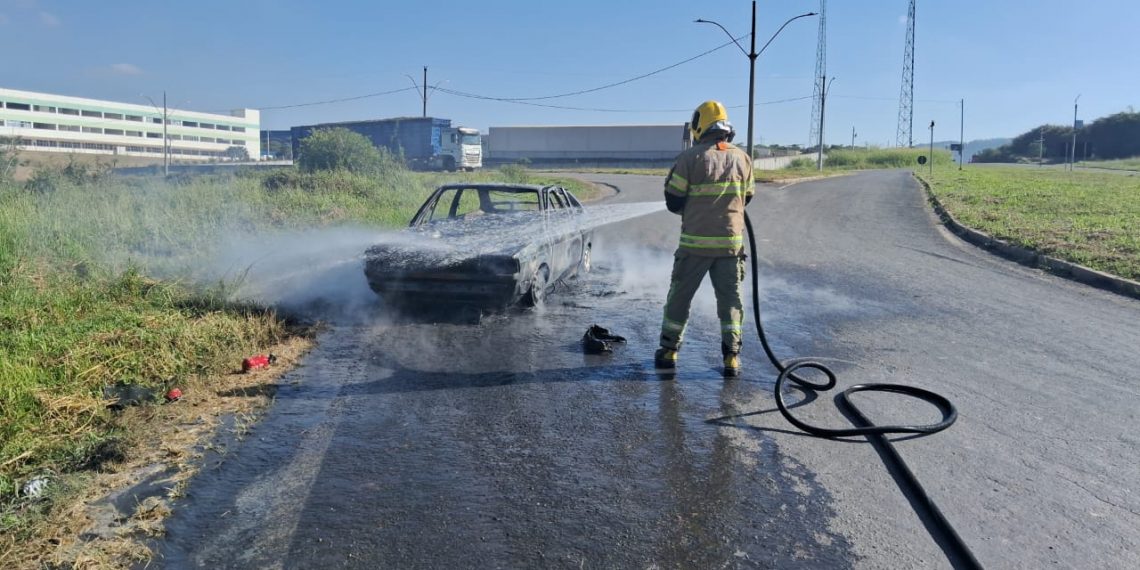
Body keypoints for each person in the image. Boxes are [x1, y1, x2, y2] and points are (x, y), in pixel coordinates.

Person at [654, 100, 754, 377]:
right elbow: (747, 197)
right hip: (730, 248)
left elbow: (673, 201)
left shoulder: (689, 158)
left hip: (694, 247)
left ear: (700, 125)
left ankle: (669, 352)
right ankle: (731, 358)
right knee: (731, 302)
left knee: (680, 299)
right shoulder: (743, 158)